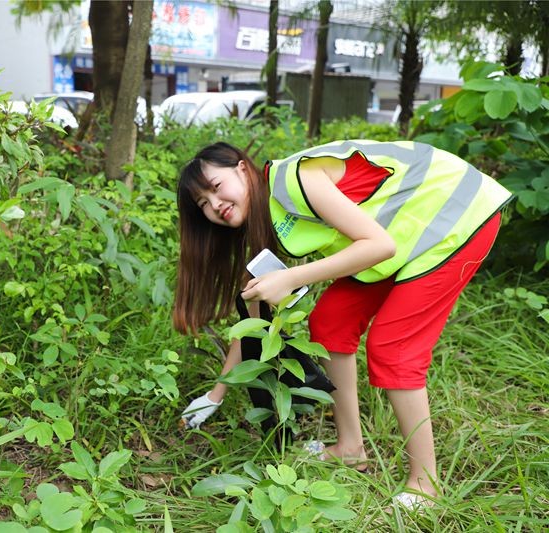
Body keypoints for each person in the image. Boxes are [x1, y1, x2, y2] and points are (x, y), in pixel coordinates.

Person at [175, 140, 512, 508]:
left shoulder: (296, 180)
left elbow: (378, 245)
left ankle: (425, 486)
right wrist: (215, 395)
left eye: (216, 187)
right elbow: (254, 322)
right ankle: (351, 448)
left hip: (455, 213)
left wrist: (292, 278)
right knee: (330, 322)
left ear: (242, 169)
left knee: (393, 347)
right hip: (407, 232)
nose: (214, 204)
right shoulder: (265, 218)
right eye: (203, 204)